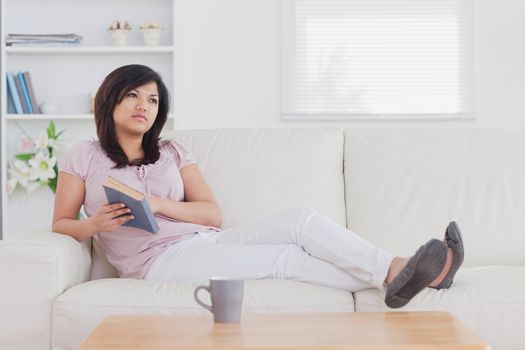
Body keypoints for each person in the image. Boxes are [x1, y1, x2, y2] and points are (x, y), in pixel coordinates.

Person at [52, 64, 464, 309]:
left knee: (300, 221)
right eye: (133, 96)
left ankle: (398, 272)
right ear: (110, 101)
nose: (145, 106)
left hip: (207, 241)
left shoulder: (173, 151)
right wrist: (94, 227)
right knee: (283, 258)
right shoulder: (84, 154)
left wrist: (156, 203)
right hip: (157, 263)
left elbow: (210, 214)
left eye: (154, 100)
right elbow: (62, 223)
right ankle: (405, 272)